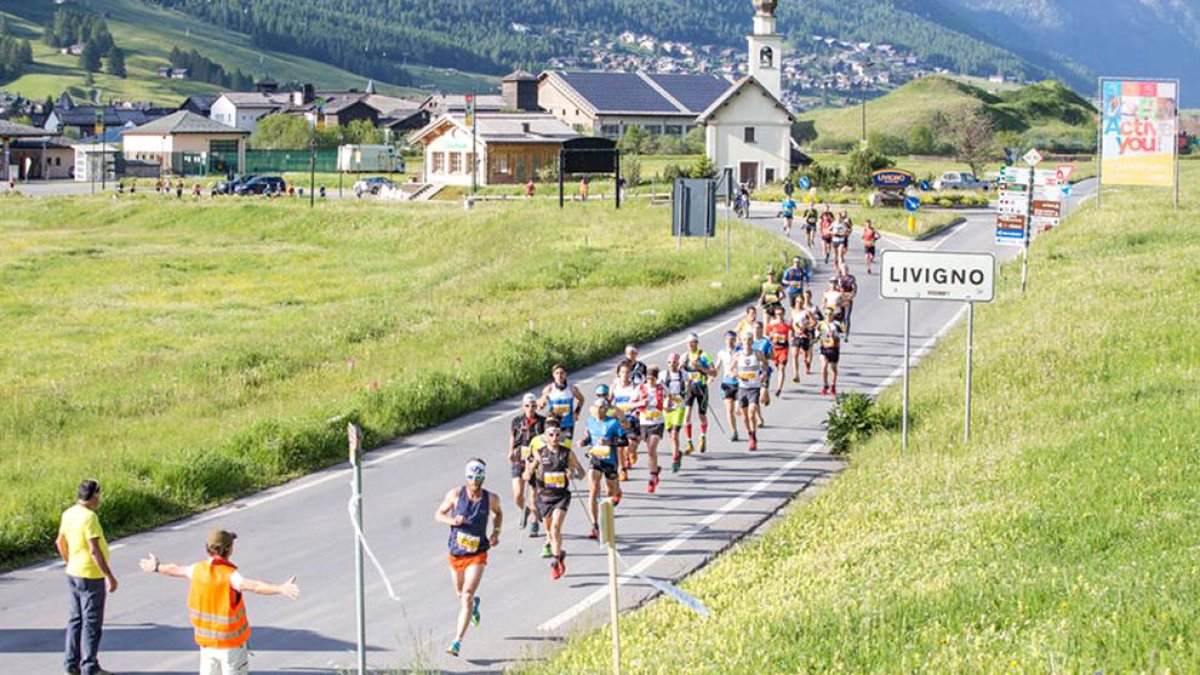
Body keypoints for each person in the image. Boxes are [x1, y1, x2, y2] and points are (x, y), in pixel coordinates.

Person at [137, 530, 300, 675]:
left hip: (207, 646)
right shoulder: (230, 576)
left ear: (208, 548)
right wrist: (280, 588)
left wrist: (157, 567)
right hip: (231, 648)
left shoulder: (197, 570)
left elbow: (175, 569)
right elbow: (256, 586)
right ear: (229, 549)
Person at [434, 459, 503, 657]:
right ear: (466, 477)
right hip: (456, 553)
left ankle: (457, 641)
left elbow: (498, 514)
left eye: (478, 478)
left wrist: (496, 532)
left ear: (483, 478)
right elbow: (438, 514)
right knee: (460, 593)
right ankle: (474, 605)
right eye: (471, 478)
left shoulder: (491, 498)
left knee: (466, 595)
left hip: (477, 553)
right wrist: (452, 520)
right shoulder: (455, 495)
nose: (474, 482)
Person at [57, 479, 117, 675]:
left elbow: (60, 542)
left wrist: (69, 561)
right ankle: (89, 666)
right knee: (92, 623)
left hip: (73, 572)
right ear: (94, 496)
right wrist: (109, 575)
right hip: (91, 574)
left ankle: (71, 664)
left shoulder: (68, 513)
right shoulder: (89, 517)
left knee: (76, 619)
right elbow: (94, 550)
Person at [524, 419, 585, 579]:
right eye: (551, 435)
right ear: (545, 437)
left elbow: (582, 473)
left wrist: (573, 475)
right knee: (550, 533)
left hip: (561, 497)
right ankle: (559, 554)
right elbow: (527, 474)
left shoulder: (567, 453)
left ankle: (556, 561)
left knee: (555, 528)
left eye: (558, 434)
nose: (555, 437)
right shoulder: (539, 453)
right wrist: (529, 472)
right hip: (544, 497)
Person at [580, 398, 626, 539]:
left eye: (601, 408)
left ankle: (606, 521)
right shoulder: (590, 421)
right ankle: (595, 525)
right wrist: (583, 442)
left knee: (610, 493)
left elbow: (624, 440)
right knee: (593, 490)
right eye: (596, 407)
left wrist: (609, 441)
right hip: (596, 459)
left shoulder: (613, 423)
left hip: (610, 461)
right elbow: (589, 437)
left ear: (606, 409)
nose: (598, 410)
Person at [509, 393, 546, 537]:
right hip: (519, 459)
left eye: (533, 405)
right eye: (527, 406)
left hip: (534, 461)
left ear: (536, 406)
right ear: (523, 406)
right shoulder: (516, 421)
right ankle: (526, 510)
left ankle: (534, 521)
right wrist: (510, 451)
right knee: (518, 494)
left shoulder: (542, 422)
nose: (530, 408)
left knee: (533, 494)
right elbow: (512, 437)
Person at [632, 366, 667, 492]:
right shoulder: (640, 388)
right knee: (650, 451)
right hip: (645, 423)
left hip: (658, 423)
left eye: (652, 379)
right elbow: (631, 403)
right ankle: (655, 471)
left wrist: (669, 406)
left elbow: (671, 398)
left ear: (656, 379)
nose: (650, 381)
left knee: (652, 448)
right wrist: (639, 404)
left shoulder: (661, 388)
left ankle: (652, 478)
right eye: (648, 378)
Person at [682, 332, 716, 455]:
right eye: (689, 343)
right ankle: (689, 442)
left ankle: (702, 437)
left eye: (693, 342)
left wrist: (701, 368)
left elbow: (714, 372)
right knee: (687, 414)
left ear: (697, 343)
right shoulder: (684, 357)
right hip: (690, 388)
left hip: (702, 387)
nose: (691, 345)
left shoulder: (704, 355)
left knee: (702, 415)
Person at [733, 332, 768, 451]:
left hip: (754, 387)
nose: (747, 343)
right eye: (745, 340)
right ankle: (750, 434)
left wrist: (764, 374)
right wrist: (737, 374)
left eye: (749, 340)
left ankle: (753, 437)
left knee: (751, 413)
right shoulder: (738, 355)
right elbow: (730, 370)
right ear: (741, 342)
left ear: (752, 342)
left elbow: (766, 364)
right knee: (744, 417)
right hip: (742, 388)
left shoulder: (757, 354)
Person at [610, 361, 641, 481]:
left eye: (628, 372)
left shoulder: (636, 387)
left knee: (631, 444)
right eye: (623, 372)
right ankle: (623, 470)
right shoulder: (614, 386)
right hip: (619, 419)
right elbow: (608, 401)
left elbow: (640, 401)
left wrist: (637, 412)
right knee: (619, 447)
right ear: (618, 373)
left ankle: (631, 453)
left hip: (631, 417)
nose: (625, 374)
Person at [539, 364, 584, 441]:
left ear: (565, 374)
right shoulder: (549, 389)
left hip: (567, 423)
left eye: (561, 373)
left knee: (566, 445)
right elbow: (541, 404)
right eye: (557, 373)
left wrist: (577, 412)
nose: (559, 375)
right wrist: (542, 404)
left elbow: (581, 399)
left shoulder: (572, 389)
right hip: (553, 424)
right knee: (554, 445)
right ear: (553, 375)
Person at [661, 353, 688, 472]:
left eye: (675, 362)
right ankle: (677, 453)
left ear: (678, 363)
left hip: (679, 406)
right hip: (667, 408)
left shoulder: (683, 374)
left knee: (674, 434)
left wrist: (691, 387)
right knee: (671, 435)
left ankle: (674, 459)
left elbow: (690, 382)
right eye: (670, 362)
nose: (672, 365)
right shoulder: (663, 375)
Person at [713, 331, 742, 441]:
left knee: (738, 410)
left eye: (732, 339)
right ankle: (734, 432)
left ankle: (750, 429)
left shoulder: (741, 351)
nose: (730, 342)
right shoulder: (721, 353)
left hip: (740, 383)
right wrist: (711, 375)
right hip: (727, 383)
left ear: (735, 340)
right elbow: (717, 367)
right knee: (729, 409)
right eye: (727, 339)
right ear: (725, 340)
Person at [791, 292, 821, 381]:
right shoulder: (793, 311)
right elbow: (792, 322)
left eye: (801, 302)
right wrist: (793, 329)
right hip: (796, 335)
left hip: (805, 335)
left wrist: (806, 327)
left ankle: (807, 364)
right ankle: (796, 374)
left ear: (803, 302)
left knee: (805, 356)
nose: (799, 304)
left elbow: (814, 322)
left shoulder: (806, 312)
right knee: (795, 355)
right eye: (797, 302)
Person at [765, 307, 792, 396]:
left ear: (784, 314)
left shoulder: (787, 323)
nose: (779, 316)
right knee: (777, 367)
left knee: (782, 368)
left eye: (781, 314)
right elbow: (766, 333)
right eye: (777, 314)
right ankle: (777, 381)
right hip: (774, 349)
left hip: (784, 349)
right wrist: (772, 336)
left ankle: (779, 388)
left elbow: (794, 330)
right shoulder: (772, 323)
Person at [818, 312, 845, 396]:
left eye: (830, 314)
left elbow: (843, 335)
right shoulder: (821, 324)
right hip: (824, 348)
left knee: (833, 368)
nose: (828, 316)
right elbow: (817, 334)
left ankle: (833, 385)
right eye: (826, 314)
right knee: (824, 366)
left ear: (833, 315)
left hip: (834, 349)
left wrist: (835, 336)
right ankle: (825, 385)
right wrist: (818, 336)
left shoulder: (837, 324)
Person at [837, 263, 859, 342]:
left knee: (847, 317)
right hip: (840, 299)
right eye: (843, 269)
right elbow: (835, 287)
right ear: (841, 270)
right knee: (840, 316)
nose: (845, 270)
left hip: (848, 299)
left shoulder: (851, 278)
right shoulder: (838, 278)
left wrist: (851, 296)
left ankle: (846, 334)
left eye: (846, 269)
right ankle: (840, 331)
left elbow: (855, 288)